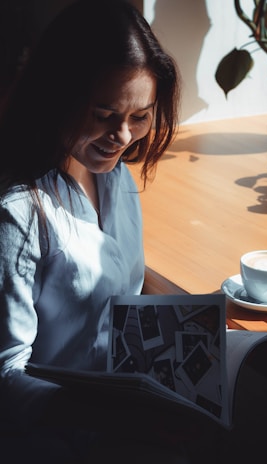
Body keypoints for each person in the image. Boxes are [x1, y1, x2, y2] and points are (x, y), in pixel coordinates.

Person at [0, 1, 205, 462]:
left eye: (141, 116)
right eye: (105, 113)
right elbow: (4, 377)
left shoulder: (115, 175)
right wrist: (112, 419)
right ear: (58, 95)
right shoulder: (18, 214)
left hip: (116, 407)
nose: (124, 136)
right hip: (45, 439)